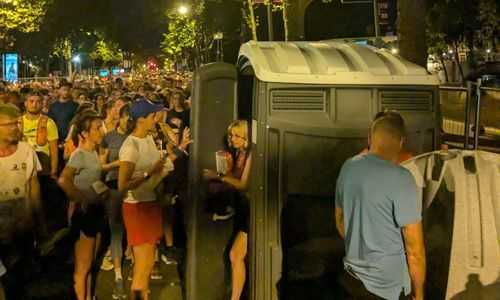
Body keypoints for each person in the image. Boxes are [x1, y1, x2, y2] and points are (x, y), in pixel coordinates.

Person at [335, 114, 426, 300]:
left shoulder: (348, 167)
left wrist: (362, 248)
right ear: (401, 142)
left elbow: (339, 221)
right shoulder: (402, 179)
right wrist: (419, 294)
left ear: (370, 138)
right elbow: (415, 251)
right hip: (387, 288)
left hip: (351, 279)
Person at [118, 99, 181, 300]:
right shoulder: (130, 146)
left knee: (145, 269)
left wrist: (178, 152)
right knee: (142, 269)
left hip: (150, 204)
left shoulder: (148, 139)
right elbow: (123, 185)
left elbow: (158, 173)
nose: (157, 119)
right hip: (138, 209)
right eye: (154, 116)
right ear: (141, 119)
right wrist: (147, 173)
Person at [58, 112, 109, 300]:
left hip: (96, 212)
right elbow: (64, 180)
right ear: (84, 133)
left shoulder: (93, 152)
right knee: (82, 267)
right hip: (84, 215)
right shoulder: (79, 155)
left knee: (90, 265)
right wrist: (81, 199)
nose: (101, 131)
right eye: (97, 128)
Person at [203, 120, 252, 300]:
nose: (232, 139)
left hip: (250, 212)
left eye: (236, 135)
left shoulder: (251, 154)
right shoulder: (240, 153)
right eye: (231, 135)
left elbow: (243, 184)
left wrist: (219, 176)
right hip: (242, 209)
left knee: (235, 254)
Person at [0, 103, 43, 299]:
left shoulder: (26, 150)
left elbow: (33, 187)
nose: (16, 127)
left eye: (17, 123)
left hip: (21, 227)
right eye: (10, 124)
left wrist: (38, 221)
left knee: (19, 279)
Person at [99, 104, 130, 299]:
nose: (129, 123)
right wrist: (120, 163)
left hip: (133, 186)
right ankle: (118, 277)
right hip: (113, 184)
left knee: (129, 228)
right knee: (116, 228)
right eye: (127, 118)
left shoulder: (137, 138)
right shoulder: (108, 137)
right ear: (120, 118)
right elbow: (102, 166)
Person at [21, 91, 59, 178]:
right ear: (25, 103)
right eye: (31, 101)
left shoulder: (49, 122)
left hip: (43, 169)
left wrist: (54, 172)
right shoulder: (18, 122)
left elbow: (54, 150)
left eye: (38, 102)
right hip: (23, 167)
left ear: (42, 104)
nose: (34, 105)